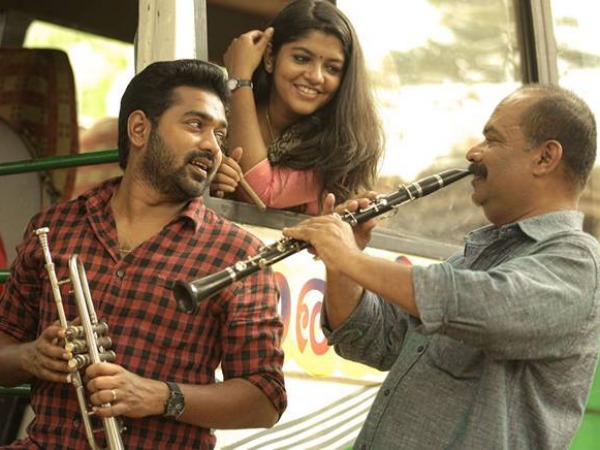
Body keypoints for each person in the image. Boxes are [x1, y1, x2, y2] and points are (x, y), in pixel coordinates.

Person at [283, 84, 600, 449]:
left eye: (492, 140)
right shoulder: (470, 260)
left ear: (545, 158)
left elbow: (481, 305)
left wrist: (351, 258)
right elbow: (371, 342)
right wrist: (343, 264)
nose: (473, 153)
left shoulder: (576, 261)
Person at [0, 59, 286, 449]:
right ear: (139, 129)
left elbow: (265, 400)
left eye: (220, 134)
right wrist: (30, 357)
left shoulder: (240, 254)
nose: (212, 146)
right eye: (195, 125)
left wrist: (160, 396)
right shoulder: (56, 226)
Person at [215, 0, 384, 215]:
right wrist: (212, 181)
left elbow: (262, 193)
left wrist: (239, 78)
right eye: (302, 59)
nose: (316, 76)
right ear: (270, 57)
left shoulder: (338, 148)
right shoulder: (214, 117)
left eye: (332, 68)